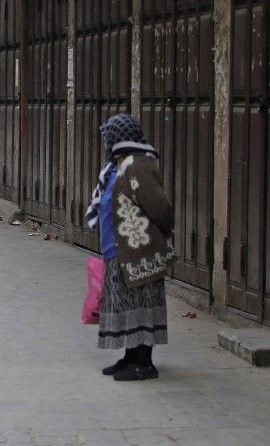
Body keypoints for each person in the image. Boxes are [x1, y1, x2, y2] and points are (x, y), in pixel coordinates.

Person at [85, 114, 175, 382]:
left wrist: (165, 228)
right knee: (127, 306)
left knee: (142, 305)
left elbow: (159, 205)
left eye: (108, 137)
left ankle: (144, 363)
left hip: (139, 252)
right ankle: (130, 357)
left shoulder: (138, 165)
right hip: (118, 251)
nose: (105, 142)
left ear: (119, 138)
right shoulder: (116, 165)